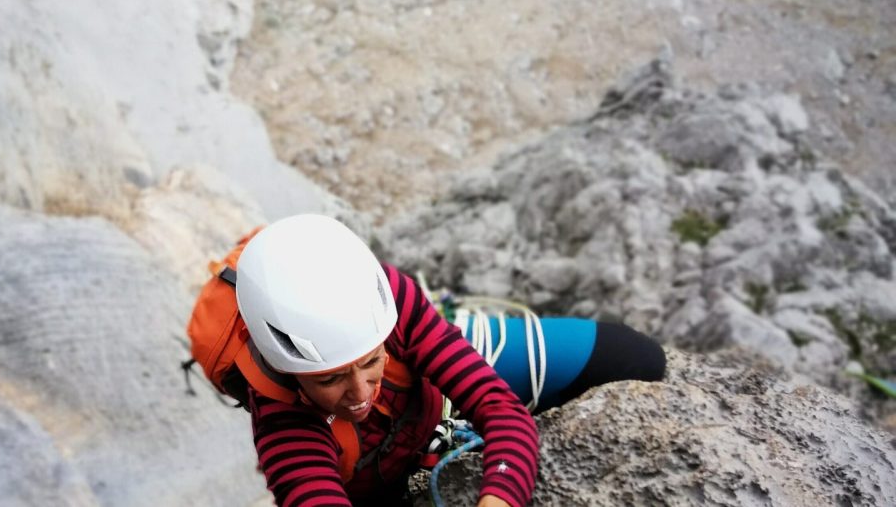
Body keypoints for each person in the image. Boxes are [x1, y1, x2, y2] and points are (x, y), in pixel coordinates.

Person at [232, 214, 665, 507]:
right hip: (380, 482)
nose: (361, 393)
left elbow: (500, 410)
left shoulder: (391, 302)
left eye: (371, 361)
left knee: (634, 358)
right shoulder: (282, 422)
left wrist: (498, 494)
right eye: (329, 379)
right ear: (291, 372)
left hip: (433, 399)